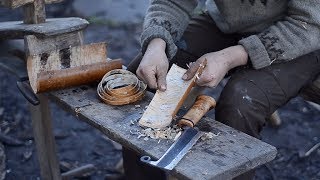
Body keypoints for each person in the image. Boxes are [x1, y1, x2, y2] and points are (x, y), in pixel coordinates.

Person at [125, 0, 320, 179]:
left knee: (241, 101)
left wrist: (229, 57)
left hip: (302, 37)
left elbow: (310, 23)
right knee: (142, 80)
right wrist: (156, 43)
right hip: (228, 24)